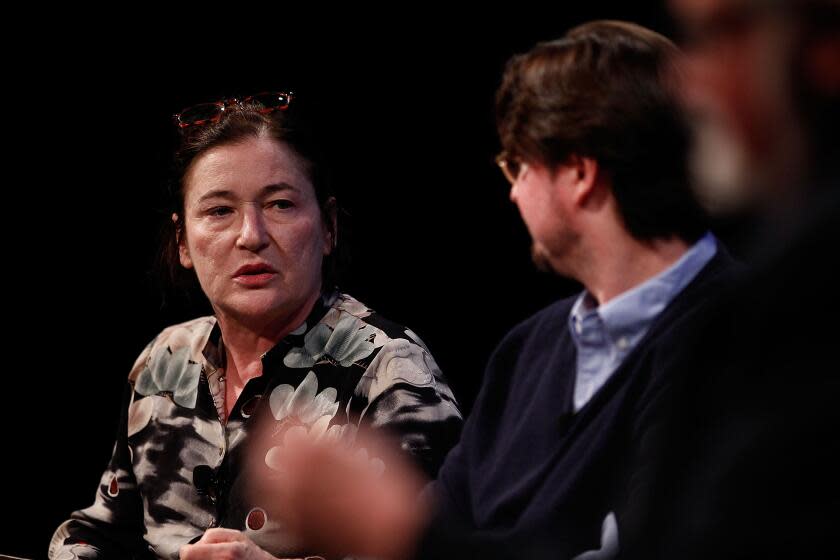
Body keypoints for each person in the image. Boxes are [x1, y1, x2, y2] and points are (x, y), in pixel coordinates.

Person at [257, 21, 737, 560]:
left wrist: (385, 524)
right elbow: (444, 521)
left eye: (517, 167)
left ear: (578, 173)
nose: (512, 196)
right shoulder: (530, 350)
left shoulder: (742, 339)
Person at [48, 93, 463, 560]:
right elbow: (97, 531)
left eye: (281, 204)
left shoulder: (389, 366)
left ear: (327, 228)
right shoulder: (164, 362)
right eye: (219, 211)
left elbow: (436, 547)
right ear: (183, 242)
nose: (251, 235)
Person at [624, 1, 840, 557]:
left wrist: (415, 534)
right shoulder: (763, 293)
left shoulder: (796, 312)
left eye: (727, 33)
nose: (689, 84)